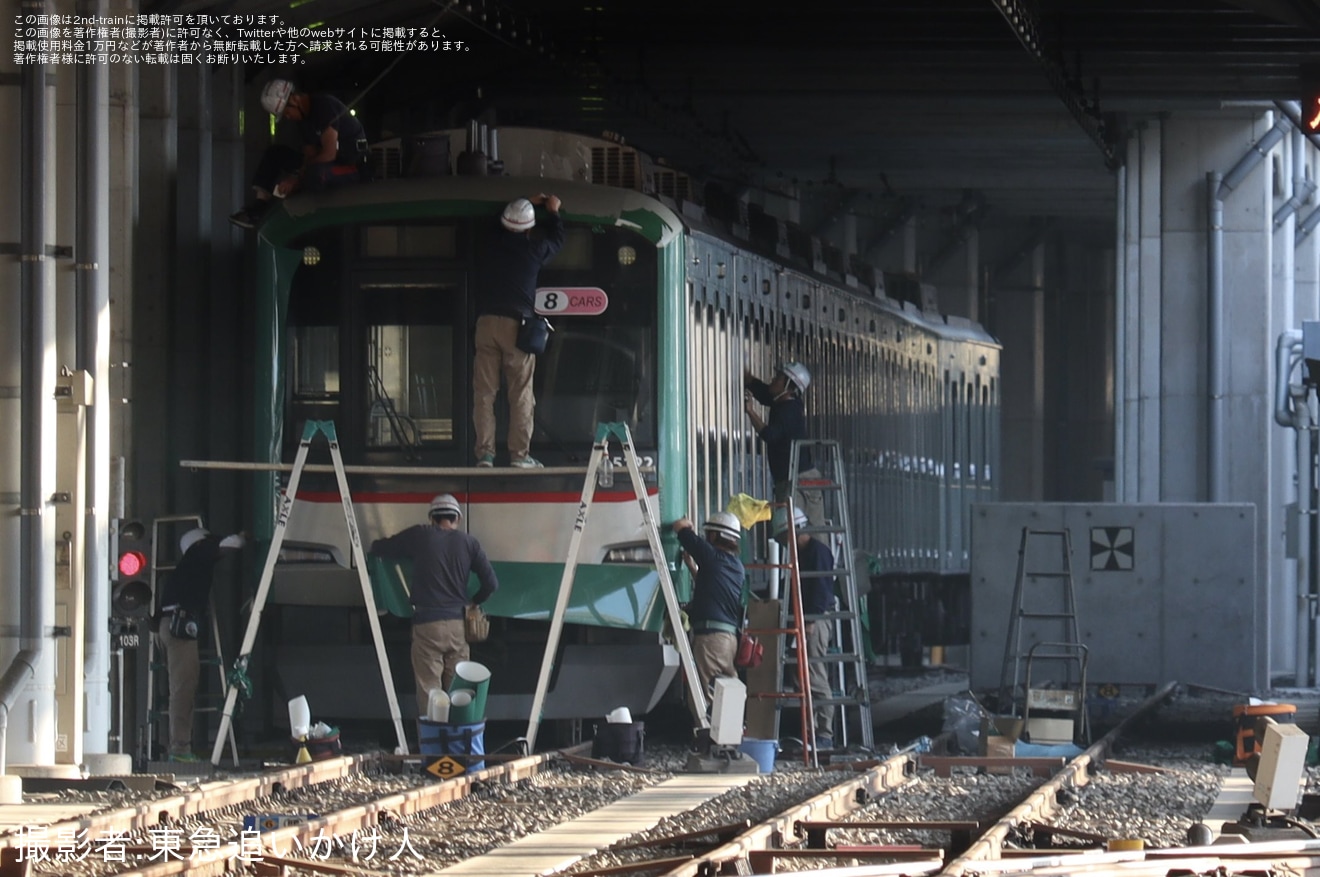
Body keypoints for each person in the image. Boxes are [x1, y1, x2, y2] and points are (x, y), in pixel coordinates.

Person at [369, 494, 499, 710]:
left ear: (432, 519)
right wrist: (473, 602)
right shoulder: (469, 543)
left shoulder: (420, 535)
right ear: (457, 519)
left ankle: (432, 742)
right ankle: (456, 741)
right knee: (458, 693)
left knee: (430, 691)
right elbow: (491, 584)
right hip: (458, 627)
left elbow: (380, 547)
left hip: (427, 624)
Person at [472, 194, 566, 468]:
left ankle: (486, 455)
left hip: (486, 323)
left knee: (484, 394)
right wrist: (554, 212)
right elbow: (558, 240)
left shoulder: (488, 244)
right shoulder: (533, 251)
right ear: (529, 228)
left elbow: (491, 225)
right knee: (521, 394)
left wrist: (519, 201)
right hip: (517, 327)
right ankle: (519, 456)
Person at [229, 79, 370, 229]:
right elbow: (309, 156)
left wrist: (296, 178)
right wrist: (297, 175)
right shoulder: (303, 120)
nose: (288, 117)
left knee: (315, 173)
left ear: (295, 99)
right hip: (329, 163)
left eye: (286, 112)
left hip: (351, 166)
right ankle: (260, 207)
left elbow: (329, 154)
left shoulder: (324, 106)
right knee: (275, 153)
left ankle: (311, 221)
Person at [156, 527, 245, 762]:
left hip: (169, 625)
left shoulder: (185, 567)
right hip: (180, 628)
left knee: (179, 687)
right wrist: (247, 535)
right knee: (183, 690)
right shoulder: (199, 552)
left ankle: (177, 744)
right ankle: (180, 749)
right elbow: (233, 542)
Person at [672, 511, 745, 732]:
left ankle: (711, 740)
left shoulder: (712, 556)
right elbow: (712, 585)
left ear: (715, 536)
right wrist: (692, 568)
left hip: (711, 639)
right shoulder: (736, 566)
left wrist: (688, 524)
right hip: (729, 639)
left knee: (706, 693)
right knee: (727, 689)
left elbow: (680, 528)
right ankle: (730, 737)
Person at [772, 505, 837, 750]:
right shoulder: (803, 553)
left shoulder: (817, 553)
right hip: (804, 619)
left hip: (813, 622)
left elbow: (820, 589)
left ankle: (824, 733)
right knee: (802, 676)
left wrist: (809, 622)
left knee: (813, 674)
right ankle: (810, 732)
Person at [744, 361, 825, 526]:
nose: (774, 379)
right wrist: (750, 380)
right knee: (795, 532)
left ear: (789, 386)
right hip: (792, 479)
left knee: (798, 531)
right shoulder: (783, 403)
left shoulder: (789, 411)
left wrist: (751, 412)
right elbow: (766, 394)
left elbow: (770, 434)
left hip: (798, 480)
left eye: (779, 378)